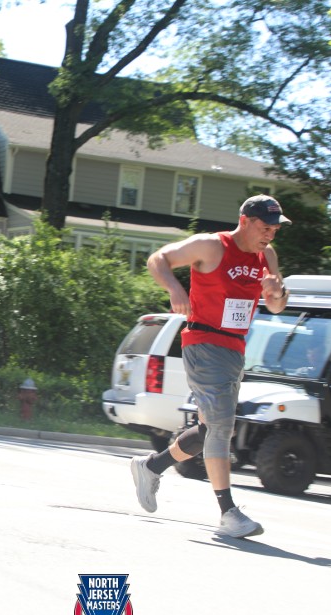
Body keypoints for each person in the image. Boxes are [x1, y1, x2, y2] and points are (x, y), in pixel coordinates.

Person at [130, 194, 291, 538]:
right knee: (221, 426)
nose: (270, 234)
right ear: (245, 221)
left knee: (211, 429)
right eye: (265, 227)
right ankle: (228, 513)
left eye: (275, 229)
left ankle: (151, 466)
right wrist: (175, 288)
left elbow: (277, 305)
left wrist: (277, 292)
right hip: (203, 342)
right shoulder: (211, 246)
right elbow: (158, 259)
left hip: (234, 348)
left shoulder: (267, 255)